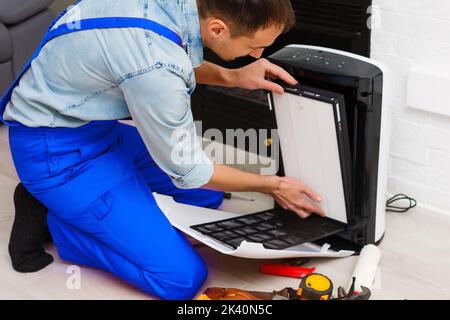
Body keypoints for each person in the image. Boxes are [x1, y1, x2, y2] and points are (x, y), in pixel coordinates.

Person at [1, 0, 326, 300]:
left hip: (95, 126)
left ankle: (98, 201)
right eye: (256, 46)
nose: (258, 56)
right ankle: (50, 219)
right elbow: (189, 167)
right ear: (217, 28)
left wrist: (234, 76)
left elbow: (161, 60)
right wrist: (273, 185)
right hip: (56, 154)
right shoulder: (153, 63)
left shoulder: (176, 8)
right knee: (181, 279)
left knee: (207, 200)